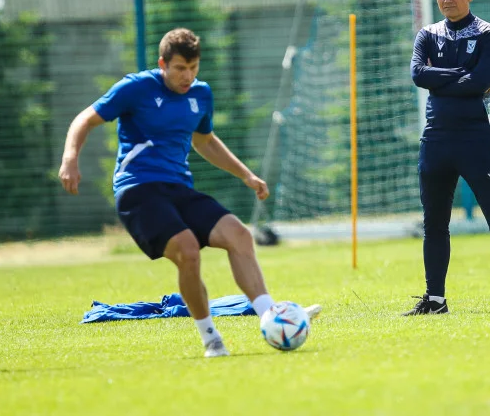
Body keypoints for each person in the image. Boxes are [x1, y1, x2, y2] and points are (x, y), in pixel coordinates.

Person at [58, 28, 319, 357]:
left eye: (194, 68)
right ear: (162, 63)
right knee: (188, 250)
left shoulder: (200, 94)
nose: (188, 76)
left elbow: (205, 141)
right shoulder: (136, 87)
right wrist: (70, 158)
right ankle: (211, 338)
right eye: (180, 68)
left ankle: (271, 316)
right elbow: (85, 119)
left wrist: (247, 175)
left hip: (178, 189)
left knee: (238, 234)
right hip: (138, 190)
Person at [405, 0, 490, 315]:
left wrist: (443, 79)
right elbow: (418, 74)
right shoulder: (427, 35)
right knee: (434, 223)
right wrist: (462, 74)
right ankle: (435, 299)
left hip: (476, 139)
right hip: (436, 140)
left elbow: (482, 81)